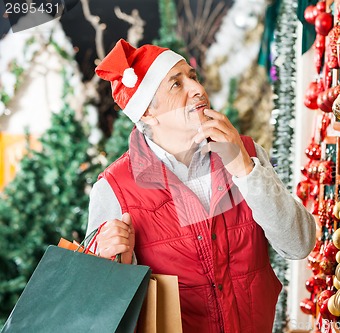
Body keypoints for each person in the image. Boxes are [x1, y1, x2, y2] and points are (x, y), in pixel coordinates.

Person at [87, 39, 316, 333]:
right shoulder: (114, 188)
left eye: (192, 77)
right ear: (147, 113)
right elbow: (102, 307)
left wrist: (244, 168)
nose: (198, 90)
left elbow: (299, 244)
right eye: (176, 84)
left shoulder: (245, 152)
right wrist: (118, 261)